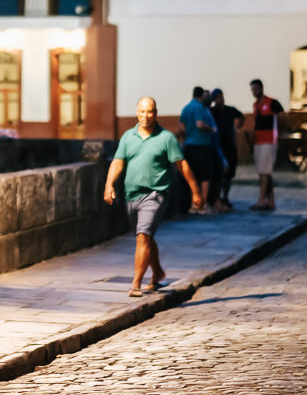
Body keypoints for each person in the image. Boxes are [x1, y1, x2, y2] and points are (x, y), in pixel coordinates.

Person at [104, 96, 204, 297]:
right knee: (144, 237)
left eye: (149, 111)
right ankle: (158, 272)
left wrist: (195, 191)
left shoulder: (166, 138)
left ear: (155, 113)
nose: (145, 116)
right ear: (137, 112)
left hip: (155, 193)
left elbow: (181, 165)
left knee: (143, 236)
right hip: (131, 194)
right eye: (142, 111)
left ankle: (136, 283)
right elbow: (118, 162)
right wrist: (109, 185)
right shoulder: (127, 137)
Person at [180, 86, 218, 214]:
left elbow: (181, 128)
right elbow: (200, 124)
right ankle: (203, 204)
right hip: (201, 145)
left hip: (189, 145)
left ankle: (193, 204)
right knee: (205, 177)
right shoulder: (199, 108)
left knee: (193, 176)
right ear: (201, 95)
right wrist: (211, 129)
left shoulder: (186, 108)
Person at [248, 79, 285, 211]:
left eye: (256, 89)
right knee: (264, 172)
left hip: (269, 140)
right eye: (252, 89)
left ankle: (261, 200)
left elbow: (282, 116)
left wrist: (278, 131)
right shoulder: (255, 105)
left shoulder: (271, 102)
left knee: (265, 171)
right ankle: (271, 200)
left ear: (261, 88)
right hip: (259, 140)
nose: (254, 92)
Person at [209, 88, 244, 207]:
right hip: (219, 146)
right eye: (218, 97)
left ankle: (225, 196)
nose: (221, 99)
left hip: (230, 145)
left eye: (221, 96)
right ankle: (217, 197)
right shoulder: (212, 111)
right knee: (219, 173)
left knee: (229, 173)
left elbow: (242, 117)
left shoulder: (230, 110)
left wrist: (237, 128)